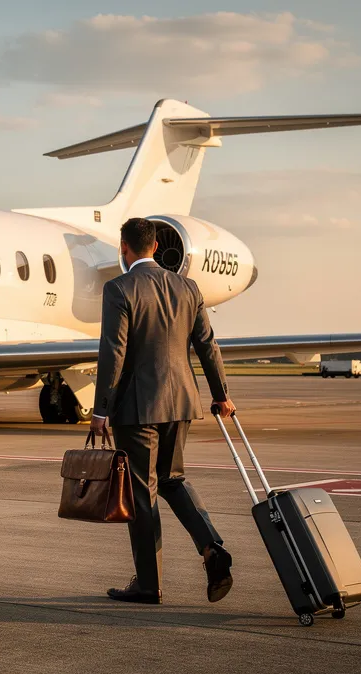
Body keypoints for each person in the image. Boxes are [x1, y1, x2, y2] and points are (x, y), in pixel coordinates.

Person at [91, 217, 235, 605]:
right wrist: (221, 395)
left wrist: (101, 409)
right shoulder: (188, 287)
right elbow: (207, 344)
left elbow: (114, 351)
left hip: (137, 407)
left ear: (124, 248)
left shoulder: (119, 288)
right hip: (182, 402)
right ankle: (211, 547)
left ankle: (148, 584)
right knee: (173, 480)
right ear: (155, 247)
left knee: (142, 492)